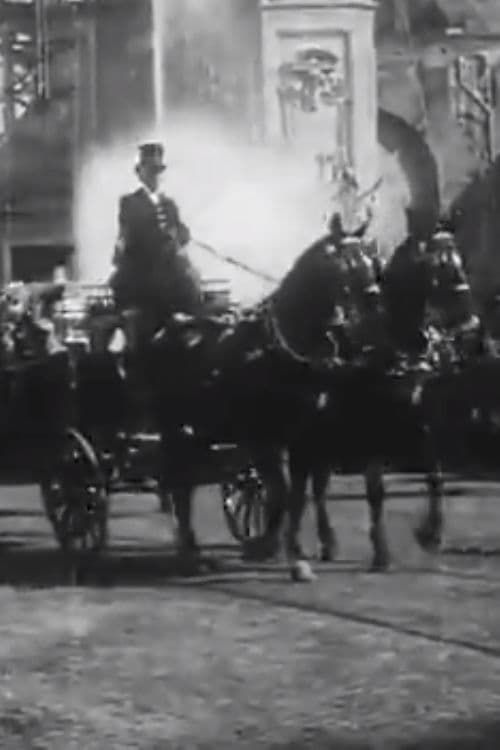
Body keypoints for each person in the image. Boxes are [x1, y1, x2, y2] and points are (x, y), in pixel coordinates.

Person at [109, 142, 202, 337]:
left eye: (158, 171)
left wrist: (181, 234)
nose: (155, 176)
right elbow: (132, 234)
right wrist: (162, 236)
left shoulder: (169, 203)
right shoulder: (129, 202)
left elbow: (181, 230)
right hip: (141, 268)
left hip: (168, 266)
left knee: (192, 283)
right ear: (140, 172)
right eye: (150, 171)